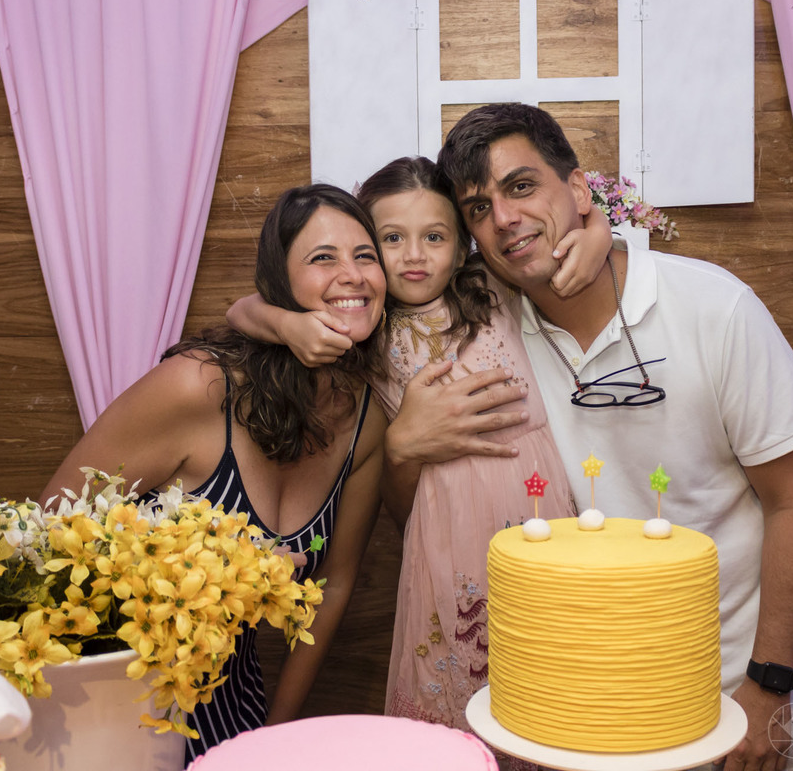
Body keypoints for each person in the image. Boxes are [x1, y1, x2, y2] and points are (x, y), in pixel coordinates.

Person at [386, 104, 793, 771]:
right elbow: (342, 291)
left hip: (740, 697)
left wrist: (769, 684)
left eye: (522, 186)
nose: (503, 217)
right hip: (589, 710)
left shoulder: (716, 309)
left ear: (579, 191)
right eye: (478, 208)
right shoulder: (485, 337)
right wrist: (399, 445)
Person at [225, 156, 610, 738]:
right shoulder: (367, 328)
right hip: (444, 529)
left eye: (434, 237)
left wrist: (599, 226)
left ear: (461, 250)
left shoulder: (493, 288)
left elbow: (574, 234)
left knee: (555, 679)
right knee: (458, 676)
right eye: (391, 240)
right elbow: (239, 311)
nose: (413, 256)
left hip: (536, 506)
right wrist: (287, 325)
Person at [42, 184, 389, 761]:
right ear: (280, 284)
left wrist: (272, 739)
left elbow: (333, 588)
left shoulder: (365, 421)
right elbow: (45, 532)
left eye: (366, 255)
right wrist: (223, 568)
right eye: (322, 257)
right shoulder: (196, 386)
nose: (351, 274)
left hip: (233, 713)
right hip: (109, 709)